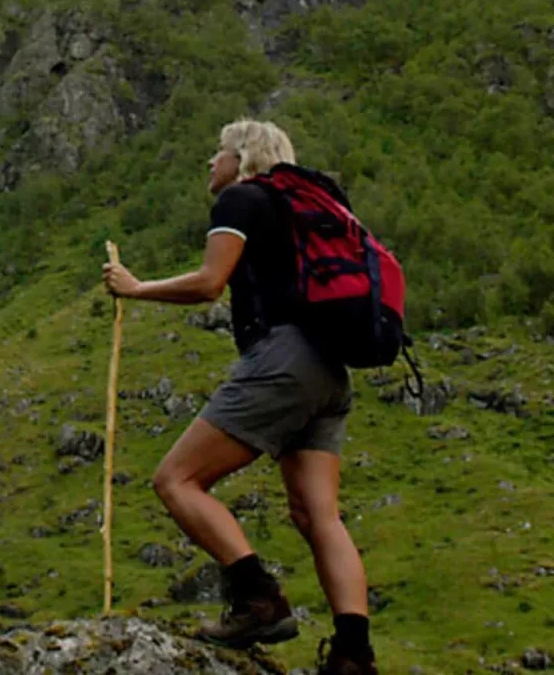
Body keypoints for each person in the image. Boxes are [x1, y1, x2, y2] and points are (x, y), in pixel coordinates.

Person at [102, 119, 377, 675]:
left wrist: (137, 289)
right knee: (318, 514)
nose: (211, 162)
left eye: (218, 151)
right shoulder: (307, 208)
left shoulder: (243, 200)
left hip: (282, 359)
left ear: (243, 156)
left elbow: (209, 282)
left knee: (175, 480)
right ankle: (353, 654)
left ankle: (258, 599)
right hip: (330, 370)